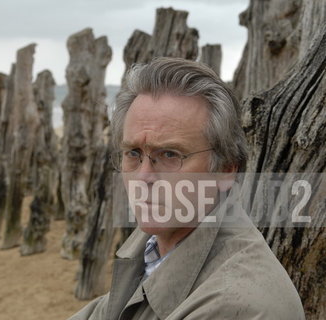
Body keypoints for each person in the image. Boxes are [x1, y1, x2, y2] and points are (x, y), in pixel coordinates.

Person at [68, 57, 305, 319]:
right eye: (133, 153)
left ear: (226, 169)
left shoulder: (239, 304)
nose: (143, 177)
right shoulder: (151, 248)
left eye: (170, 155)